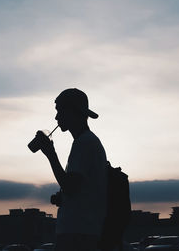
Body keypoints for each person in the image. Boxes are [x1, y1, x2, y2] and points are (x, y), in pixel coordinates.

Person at [35, 88, 108, 251]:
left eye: (60, 111)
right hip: (81, 232)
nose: (56, 117)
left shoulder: (85, 143)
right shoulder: (86, 142)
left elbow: (71, 186)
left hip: (78, 234)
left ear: (72, 112)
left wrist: (51, 154)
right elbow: (78, 188)